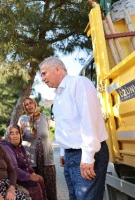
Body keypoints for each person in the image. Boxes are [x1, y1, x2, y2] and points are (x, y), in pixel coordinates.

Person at [39, 57, 109, 200]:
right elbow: (66, 126)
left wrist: (88, 157)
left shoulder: (78, 83)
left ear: (57, 69)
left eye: (44, 73)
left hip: (87, 153)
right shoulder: (58, 96)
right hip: (71, 156)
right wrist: (64, 152)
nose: (42, 79)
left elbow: (89, 121)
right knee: (75, 197)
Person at [18, 97, 57, 200]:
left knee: (50, 188)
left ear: (35, 104)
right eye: (26, 104)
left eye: (30, 103)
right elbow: (17, 139)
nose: (29, 106)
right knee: (36, 189)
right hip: (31, 161)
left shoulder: (45, 118)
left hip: (47, 159)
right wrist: (21, 131)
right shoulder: (22, 119)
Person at [0, 124, 47, 200]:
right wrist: (30, 177)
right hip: (14, 179)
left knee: (40, 179)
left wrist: (32, 172)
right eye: (12, 134)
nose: (15, 136)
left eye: (17, 133)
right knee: (35, 185)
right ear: (8, 136)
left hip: (23, 175)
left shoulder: (20, 146)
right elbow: (14, 169)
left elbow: (27, 164)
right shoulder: (7, 147)